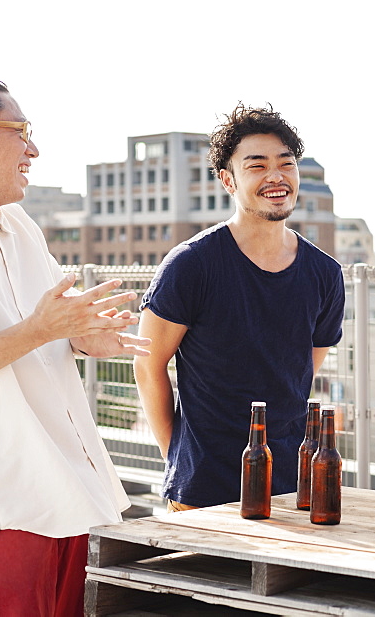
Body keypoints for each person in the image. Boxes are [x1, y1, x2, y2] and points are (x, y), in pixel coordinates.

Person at [0, 75, 151, 616]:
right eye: (21, 131)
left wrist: (85, 338)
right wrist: (40, 330)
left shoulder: (19, 226)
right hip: (0, 509)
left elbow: (47, 329)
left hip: (68, 488)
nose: (33, 148)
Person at [134, 103, 345, 511]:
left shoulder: (325, 274)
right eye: (257, 165)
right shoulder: (191, 265)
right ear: (228, 180)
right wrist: (176, 456)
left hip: (290, 488)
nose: (276, 176)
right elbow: (147, 364)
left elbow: (300, 372)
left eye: (286, 163)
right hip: (203, 490)